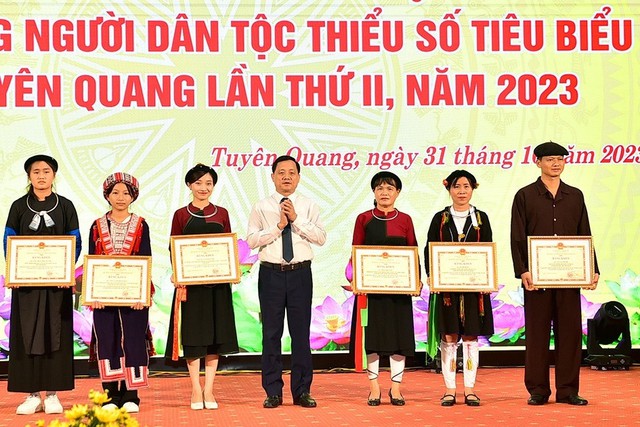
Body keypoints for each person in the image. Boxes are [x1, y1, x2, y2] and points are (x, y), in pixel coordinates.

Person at [511, 141, 599, 406]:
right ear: (537, 162)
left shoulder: (575, 195)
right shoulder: (525, 195)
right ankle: (538, 390)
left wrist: (592, 269)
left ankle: (568, 390)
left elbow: (585, 233)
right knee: (537, 335)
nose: (556, 163)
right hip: (537, 279)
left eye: (560, 158)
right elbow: (517, 236)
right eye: (550, 159)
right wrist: (523, 270)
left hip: (569, 278)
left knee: (570, 334)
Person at [3, 154, 82, 415]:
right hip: (26, 287)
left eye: (46, 171)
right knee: (26, 335)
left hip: (56, 286)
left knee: (55, 334)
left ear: (53, 175)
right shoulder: (18, 206)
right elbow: (8, 240)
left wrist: (64, 271)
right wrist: (17, 271)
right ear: (29, 176)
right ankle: (32, 394)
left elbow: (75, 241)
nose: (41, 176)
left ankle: (52, 394)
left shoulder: (65, 206)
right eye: (35, 171)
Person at [246, 155, 326, 409]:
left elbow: (321, 238)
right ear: (273, 177)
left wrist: (296, 220)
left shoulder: (309, 205)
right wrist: (279, 226)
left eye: (292, 172)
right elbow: (251, 241)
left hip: (300, 273)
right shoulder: (261, 206)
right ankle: (273, 391)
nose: (287, 177)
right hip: (271, 274)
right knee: (271, 334)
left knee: (301, 334)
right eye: (281, 172)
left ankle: (302, 391)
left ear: (299, 177)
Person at [166, 164, 239, 410]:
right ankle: (195, 390)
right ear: (189, 185)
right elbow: (173, 246)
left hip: (218, 285)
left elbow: (227, 246)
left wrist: (232, 269)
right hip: (192, 286)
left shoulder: (221, 213)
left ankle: (209, 389)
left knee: (215, 337)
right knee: (194, 337)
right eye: (198, 183)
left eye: (208, 183)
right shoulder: (181, 214)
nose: (203, 188)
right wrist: (178, 272)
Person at [424, 170, 494, 407]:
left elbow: (488, 249)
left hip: (474, 288)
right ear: (449, 189)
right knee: (449, 336)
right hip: (447, 289)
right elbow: (429, 249)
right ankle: (450, 389)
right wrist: (432, 276)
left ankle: (470, 389)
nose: (462, 191)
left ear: (473, 189)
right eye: (456, 186)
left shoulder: (481, 218)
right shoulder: (440, 218)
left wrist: (487, 278)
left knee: (471, 336)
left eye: (466, 186)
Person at [348, 171, 417, 407]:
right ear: (374, 192)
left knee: (399, 340)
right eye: (380, 188)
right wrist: (355, 279)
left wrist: (416, 280)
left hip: (399, 292)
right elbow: (355, 251)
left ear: (397, 192)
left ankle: (396, 388)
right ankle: (374, 388)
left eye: (389, 188)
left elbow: (413, 251)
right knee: (373, 340)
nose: (384, 192)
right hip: (371, 292)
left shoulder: (405, 220)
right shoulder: (364, 219)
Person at [88, 172, 154, 413]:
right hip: (103, 296)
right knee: (108, 340)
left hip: (133, 296)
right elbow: (92, 259)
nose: (120, 197)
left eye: (126, 193)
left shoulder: (141, 224)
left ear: (133, 196)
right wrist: (93, 293)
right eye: (115, 192)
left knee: (134, 340)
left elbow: (146, 258)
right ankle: (110, 396)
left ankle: (131, 395)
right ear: (107, 195)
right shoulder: (96, 225)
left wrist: (141, 294)